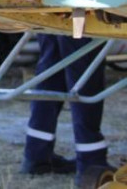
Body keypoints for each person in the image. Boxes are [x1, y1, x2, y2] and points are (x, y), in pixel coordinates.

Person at [21, 33, 115, 185]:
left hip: (51, 13)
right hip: (80, 15)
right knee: (85, 70)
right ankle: (91, 160)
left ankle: (37, 153)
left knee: (52, 66)